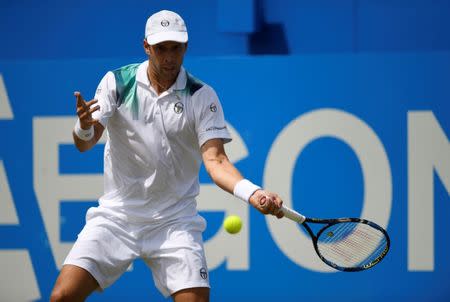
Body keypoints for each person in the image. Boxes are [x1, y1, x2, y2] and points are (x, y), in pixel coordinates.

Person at [50, 9, 284, 302]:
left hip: (175, 222)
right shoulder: (118, 83)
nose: (169, 57)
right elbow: (85, 143)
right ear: (146, 46)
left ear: (186, 47)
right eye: (161, 48)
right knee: (62, 296)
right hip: (117, 216)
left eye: (176, 48)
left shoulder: (202, 96)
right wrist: (84, 127)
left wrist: (254, 193)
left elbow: (217, 161)